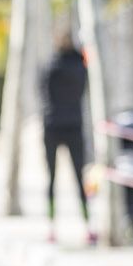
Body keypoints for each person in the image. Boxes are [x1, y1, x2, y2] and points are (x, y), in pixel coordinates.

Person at [40, 33, 96, 246]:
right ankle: (87, 227)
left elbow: (43, 91)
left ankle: (52, 228)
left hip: (53, 125)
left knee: (52, 178)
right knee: (79, 178)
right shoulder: (80, 67)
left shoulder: (52, 66)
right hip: (73, 125)